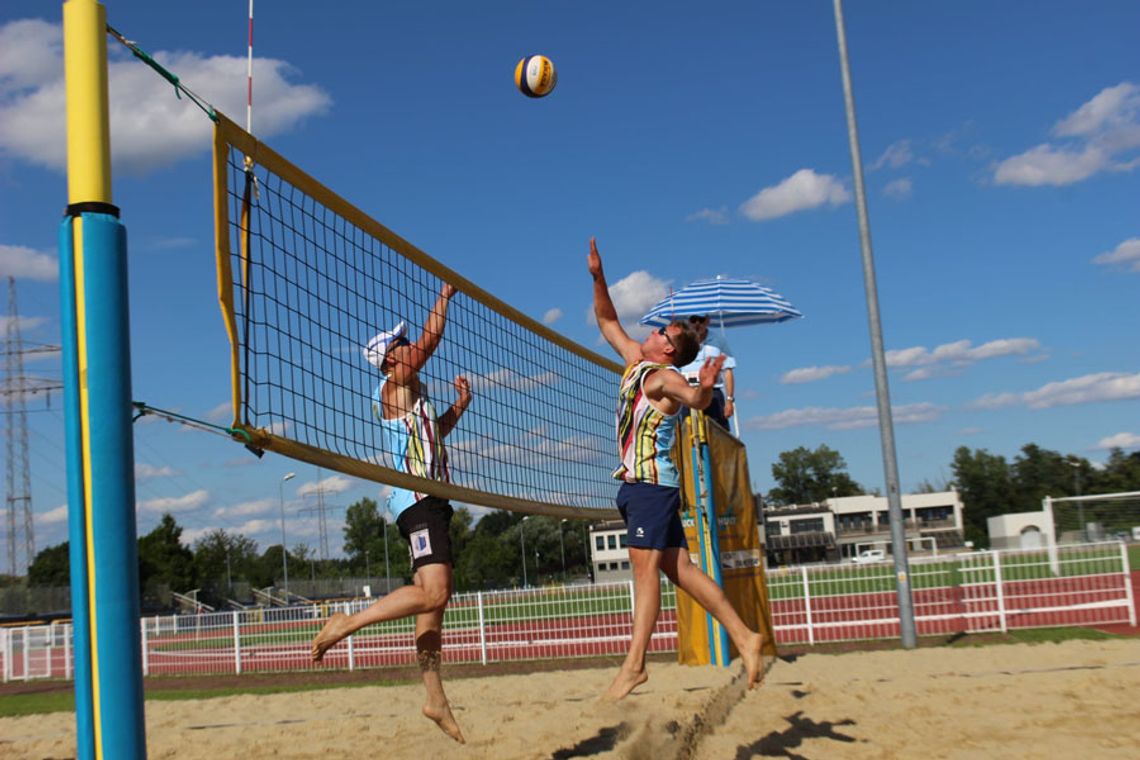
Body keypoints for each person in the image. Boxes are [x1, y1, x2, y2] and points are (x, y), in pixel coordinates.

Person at [587, 238, 764, 701]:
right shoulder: (635, 363)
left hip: (651, 487)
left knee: (644, 575)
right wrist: (598, 277)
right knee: (680, 569)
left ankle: (635, 666)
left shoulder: (665, 377)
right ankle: (745, 638)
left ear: (667, 348)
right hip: (641, 488)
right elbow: (607, 320)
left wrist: (705, 389)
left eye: (662, 332)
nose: (652, 331)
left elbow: (695, 400)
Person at [310, 282, 471, 744]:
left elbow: (434, 433)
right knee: (436, 593)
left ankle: (434, 697)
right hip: (417, 502)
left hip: (431, 500)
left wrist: (459, 406)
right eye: (401, 344)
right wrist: (443, 298)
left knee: (432, 604)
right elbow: (429, 344)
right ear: (390, 360)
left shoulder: (412, 396)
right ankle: (347, 624)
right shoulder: (393, 386)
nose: (409, 346)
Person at [678, 315, 736, 430]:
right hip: (688, 391)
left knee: (719, 431)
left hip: (713, 392)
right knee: (687, 431)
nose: (697, 324)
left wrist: (729, 400)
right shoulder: (681, 341)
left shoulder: (719, 340)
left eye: (701, 320)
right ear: (689, 322)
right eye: (694, 320)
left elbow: (728, 370)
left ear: (708, 321)